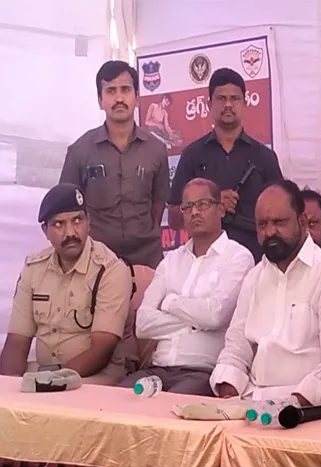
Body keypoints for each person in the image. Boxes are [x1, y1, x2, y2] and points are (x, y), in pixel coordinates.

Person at [210, 180, 321, 412]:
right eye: (262, 224)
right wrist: (228, 396)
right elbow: (236, 347)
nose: (270, 232)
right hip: (253, 403)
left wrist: (293, 403)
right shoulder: (254, 278)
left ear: (301, 222)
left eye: (279, 222)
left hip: (308, 409)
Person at [119, 178, 254, 396]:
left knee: (169, 409)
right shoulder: (170, 260)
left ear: (221, 209)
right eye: (188, 206)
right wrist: (196, 322)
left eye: (203, 204)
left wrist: (170, 302)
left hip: (202, 371)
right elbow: (143, 324)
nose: (194, 212)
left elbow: (215, 316)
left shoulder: (237, 257)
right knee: (114, 402)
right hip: (157, 368)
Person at [0, 183, 132, 385]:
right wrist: (9, 387)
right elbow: (17, 342)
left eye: (77, 220)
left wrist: (51, 382)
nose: (70, 232)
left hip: (94, 377)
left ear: (88, 221)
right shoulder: (34, 268)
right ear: (45, 230)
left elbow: (101, 352)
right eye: (58, 224)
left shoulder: (110, 269)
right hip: (44, 373)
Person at [60, 60, 170, 269]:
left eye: (125, 90)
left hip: (147, 258)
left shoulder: (156, 149)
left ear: (137, 97)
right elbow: (67, 208)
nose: (119, 98)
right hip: (96, 261)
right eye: (111, 91)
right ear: (100, 100)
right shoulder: (80, 151)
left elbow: (158, 204)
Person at [168, 68, 283, 261]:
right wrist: (209, 203)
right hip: (204, 263)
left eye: (234, 98)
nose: (228, 104)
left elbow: (281, 212)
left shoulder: (265, 157)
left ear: (245, 103)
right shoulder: (192, 155)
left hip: (257, 262)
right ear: (209, 104)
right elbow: (173, 218)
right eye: (221, 98)